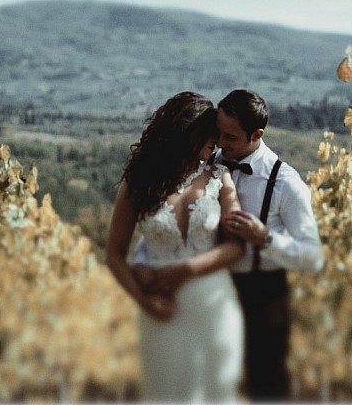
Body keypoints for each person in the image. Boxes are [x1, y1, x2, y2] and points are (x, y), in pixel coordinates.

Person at [134, 89, 324, 401]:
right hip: (208, 292)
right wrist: (145, 262)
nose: (220, 143)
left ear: (256, 134)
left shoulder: (287, 183)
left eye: (230, 137)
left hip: (263, 297)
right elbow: (167, 222)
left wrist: (266, 238)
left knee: (266, 389)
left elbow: (313, 257)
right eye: (218, 133)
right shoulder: (208, 166)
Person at [105, 91, 247, 402]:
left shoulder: (220, 178)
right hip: (162, 311)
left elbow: (236, 246)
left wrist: (186, 270)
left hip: (215, 308)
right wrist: (144, 302)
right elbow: (114, 256)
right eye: (210, 132)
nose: (217, 141)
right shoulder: (138, 182)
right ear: (186, 132)